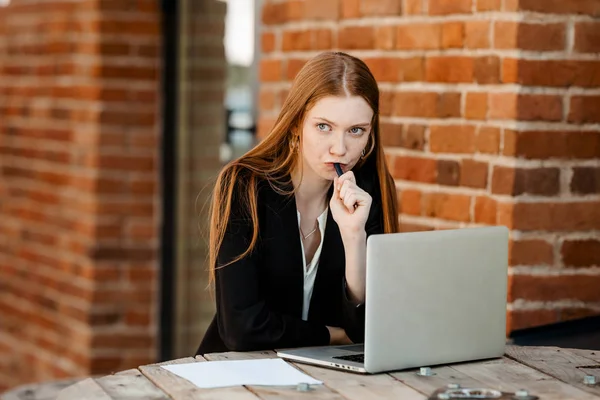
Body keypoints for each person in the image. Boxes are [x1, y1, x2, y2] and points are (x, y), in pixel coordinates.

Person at [196, 51, 398, 355]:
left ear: (369, 136)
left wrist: (354, 237)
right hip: (234, 373)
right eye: (324, 127)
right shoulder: (245, 186)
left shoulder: (370, 192)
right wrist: (332, 336)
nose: (339, 148)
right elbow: (242, 328)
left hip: (331, 381)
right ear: (295, 125)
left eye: (356, 130)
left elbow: (369, 329)